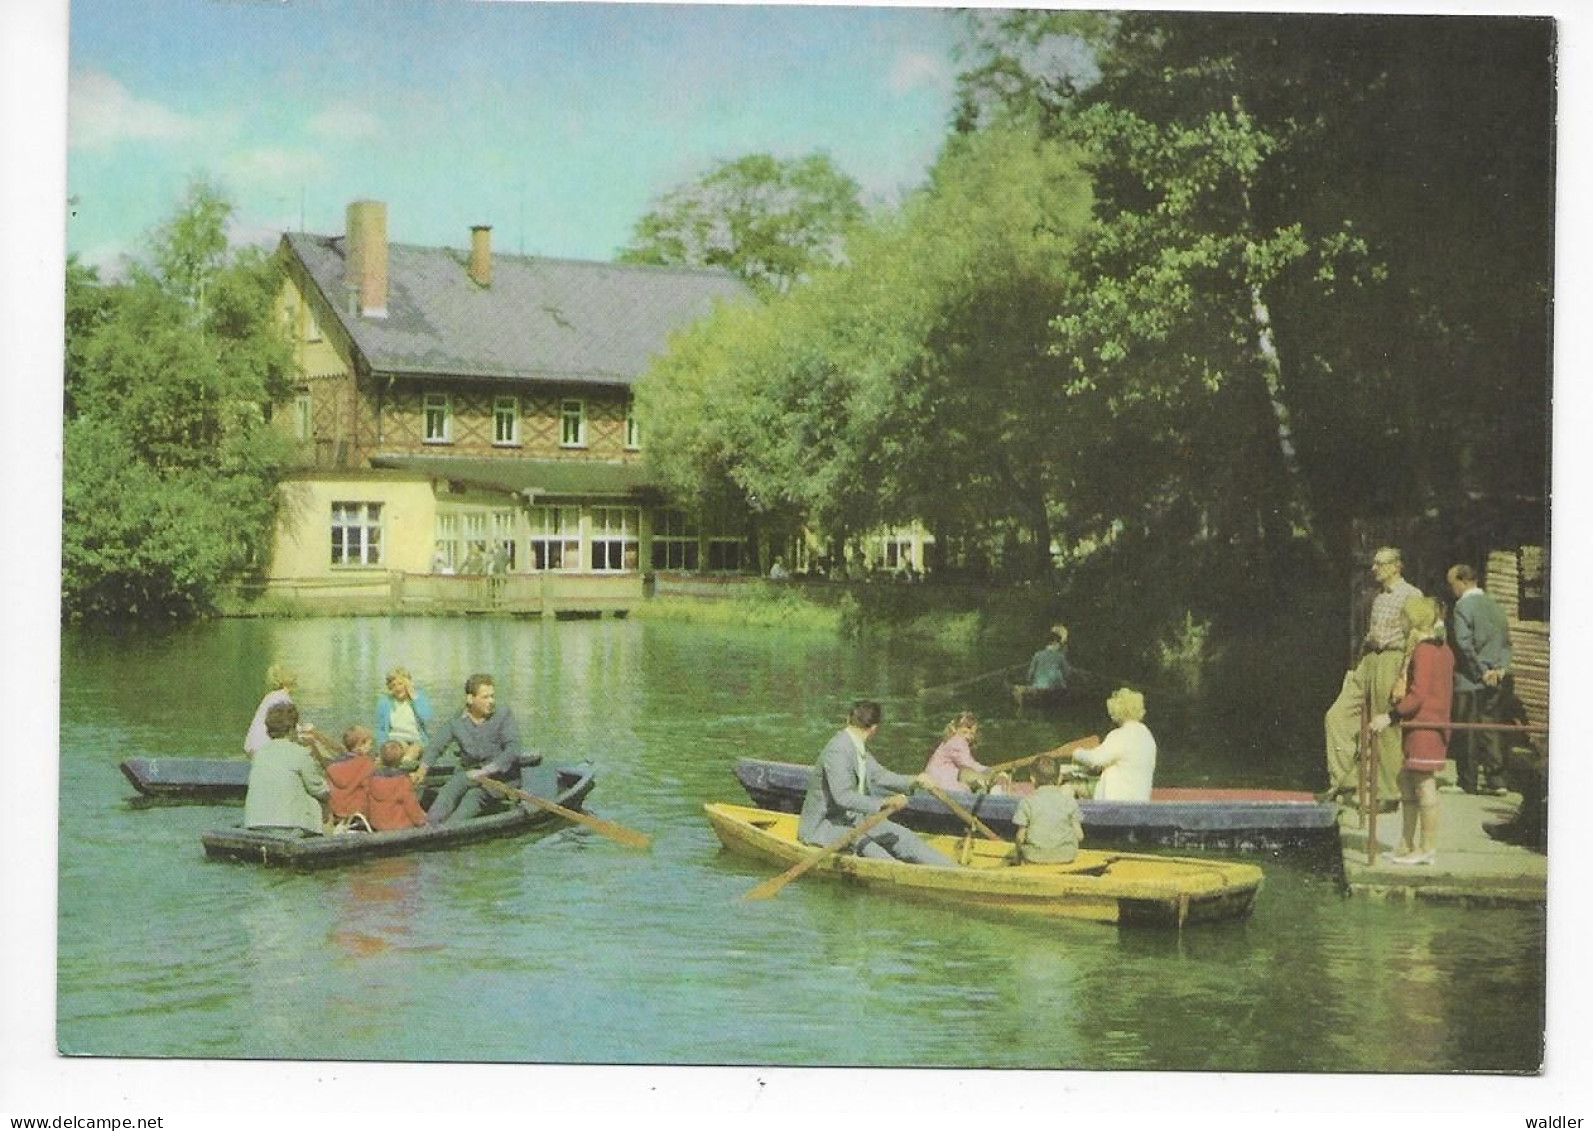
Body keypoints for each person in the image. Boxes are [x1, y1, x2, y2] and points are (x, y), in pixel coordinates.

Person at [797, 701, 955, 866]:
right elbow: (843, 797)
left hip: (853, 821)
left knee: (902, 835)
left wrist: (915, 780)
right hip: (823, 826)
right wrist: (883, 803)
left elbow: (880, 776)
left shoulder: (857, 747)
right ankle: (898, 872)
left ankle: (954, 871)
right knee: (865, 843)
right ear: (874, 728)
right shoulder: (837, 750)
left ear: (848, 719)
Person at [1322, 547, 1423, 806]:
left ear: (1396, 566)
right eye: (1374, 564)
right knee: (1337, 716)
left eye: (1380, 564)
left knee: (1386, 725)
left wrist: (1403, 676)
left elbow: (1416, 638)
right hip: (1369, 659)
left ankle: (1389, 793)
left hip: (1392, 658)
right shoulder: (1378, 597)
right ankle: (1345, 783)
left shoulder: (1412, 594)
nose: (1373, 569)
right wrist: (1357, 666)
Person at [1370, 596, 1455, 866]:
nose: (1401, 623)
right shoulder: (1443, 649)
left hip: (1425, 727)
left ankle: (1426, 847)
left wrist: (1390, 716)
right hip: (1425, 725)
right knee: (1406, 780)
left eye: (1404, 618)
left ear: (1414, 620)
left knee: (1423, 784)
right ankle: (1406, 843)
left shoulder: (1425, 651)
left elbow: (1418, 695)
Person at [415, 673, 537, 825]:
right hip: (469, 774)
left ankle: (449, 830)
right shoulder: (457, 721)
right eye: (485, 697)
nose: (491, 701)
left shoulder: (503, 714)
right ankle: (428, 826)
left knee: (473, 797)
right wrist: (422, 769)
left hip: (499, 778)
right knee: (449, 790)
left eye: (492, 696)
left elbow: (513, 749)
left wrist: (485, 771)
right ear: (470, 699)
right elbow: (436, 746)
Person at [1447, 564, 1513, 794]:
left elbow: (1464, 644)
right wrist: (1499, 669)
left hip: (1470, 679)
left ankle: (1468, 781)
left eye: (1452, 583)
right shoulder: (1496, 605)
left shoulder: (1462, 606)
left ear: (1462, 581)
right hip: (1496, 677)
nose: (1451, 588)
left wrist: (1480, 671)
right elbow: (1506, 642)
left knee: (1467, 730)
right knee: (1490, 727)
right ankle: (1497, 781)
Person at [243, 701, 331, 834]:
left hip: (254, 823)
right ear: (291, 729)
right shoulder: (301, 754)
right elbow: (320, 790)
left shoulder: (259, 754)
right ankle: (327, 836)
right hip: (290, 826)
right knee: (322, 803)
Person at [1071, 687, 1157, 801]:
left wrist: (1077, 753)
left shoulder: (1120, 735)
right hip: (1139, 798)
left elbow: (1096, 759)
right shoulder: (1147, 736)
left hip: (1117, 803)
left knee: (1071, 787)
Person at [1012, 755, 1083, 864]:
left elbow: (1020, 838)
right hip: (1065, 857)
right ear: (1059, 778)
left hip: (1034, 858)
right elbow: (1079, 835)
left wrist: (1017, 857)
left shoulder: (1027, 802)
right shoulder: (1069, 801)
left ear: (1032, 779)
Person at [366, 740, 431, 831]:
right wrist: (421, 821)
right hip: (397, 824)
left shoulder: (372, 778)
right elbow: (411, 805)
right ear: (400, 760)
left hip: (377, 823)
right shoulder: (402, 782)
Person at [922, 712, 994, 792]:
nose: (968, 736)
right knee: (969, 787)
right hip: (940, 779)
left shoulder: (951, 739)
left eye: (972, 734)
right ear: (955, 729)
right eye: (965, 732)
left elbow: (968, 761)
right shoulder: (958, 742)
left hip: (937, 775)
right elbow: (966, 763)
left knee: (971, 780)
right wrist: (986, 770)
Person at [375, 666, 433, 765]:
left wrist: (413, 695)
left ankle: (405, 765)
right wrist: (383, 746)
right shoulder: (384, 702)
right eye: (393, 685)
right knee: (393, 750)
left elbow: (426, 717)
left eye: (401, 684)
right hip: (394, 740)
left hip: (416, 740)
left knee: (414, 749)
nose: (397, 688)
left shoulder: (418, 698)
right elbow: (380, 729)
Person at [324, 725, 376, 822]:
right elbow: (370, 788)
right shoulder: (366, 763)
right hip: (358, 813)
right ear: (360, 745)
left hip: (337, 811)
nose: (371, 747)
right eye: (370, 744)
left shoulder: (333, 765)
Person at [244, 664, 298, 756]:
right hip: (264, 746)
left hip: (252, 745)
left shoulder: (271, 696)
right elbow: (290, 726)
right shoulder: (283, 699)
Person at [1013, 628, 1070, 706]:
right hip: (1056, 689)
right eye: (1059, 643)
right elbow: (1067, 674)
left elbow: (1030, 674)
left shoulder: (1037, 655)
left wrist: (1029, 683)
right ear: (1055, 642)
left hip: (1038, 687)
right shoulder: (1060, 656)